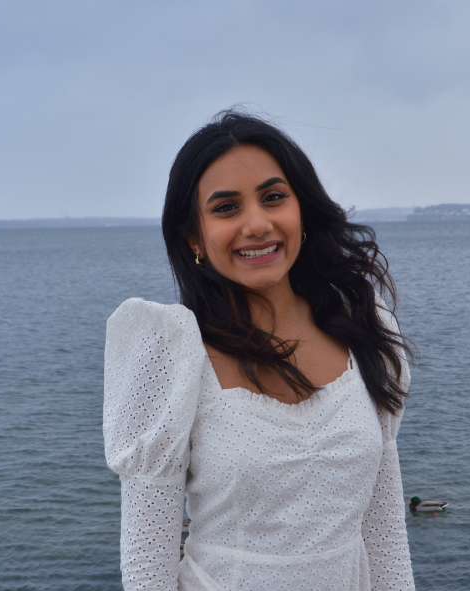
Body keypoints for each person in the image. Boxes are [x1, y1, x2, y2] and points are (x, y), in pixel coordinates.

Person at [103, 111, 415, 590]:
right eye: (226, 208)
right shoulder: (175, 355)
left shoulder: (362, 328)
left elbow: (385, 532)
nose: (257, 224)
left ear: (302, 211)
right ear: (194, 238)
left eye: (273, 198)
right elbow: (148, 567)